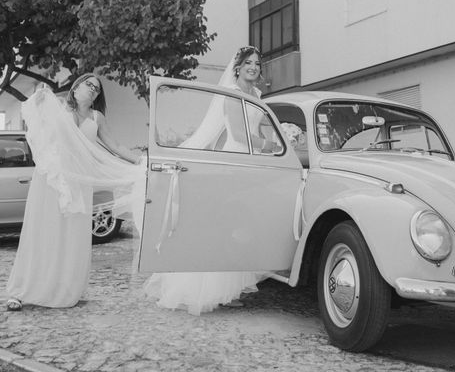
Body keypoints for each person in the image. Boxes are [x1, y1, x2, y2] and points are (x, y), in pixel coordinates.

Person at [144, 46, 274, 315]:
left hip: (253, 164)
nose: (253, 67)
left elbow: (258, 128)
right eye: (248, 62)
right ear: (237, 67)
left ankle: (231, 289)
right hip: (234, 161)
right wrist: (270, 144)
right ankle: (206, 292)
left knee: (242, 224)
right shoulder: (232, 95)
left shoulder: (258, 95)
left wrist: (279, 137)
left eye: (257, 63)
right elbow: (238, 135)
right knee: (224, 225)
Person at [6, 74, 144, 311]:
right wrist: (40, 98)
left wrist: (140, 161)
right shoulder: (59, 109)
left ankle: (65, 290)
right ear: (76, 86)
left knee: (72, 238)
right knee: (42, 234)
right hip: (53, 181)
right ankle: (22, 290)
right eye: (88, 85)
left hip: (79, 183)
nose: (92, 90)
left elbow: (115, 146)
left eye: (97, 89)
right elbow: (38, 126)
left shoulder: (96, 117)